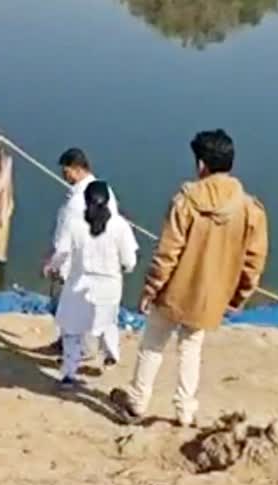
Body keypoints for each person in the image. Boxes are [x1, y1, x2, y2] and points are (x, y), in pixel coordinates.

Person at [110, 129, 268, 427]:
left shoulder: (185, 201)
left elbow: (168, 252)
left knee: (153, 343)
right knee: (191, 349)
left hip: (174, 291)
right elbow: (253, 261)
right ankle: (185, 411)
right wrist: (238, 297)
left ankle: (137, 402)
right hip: (210, 296)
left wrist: (150, 288)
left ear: (201, 165)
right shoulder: (250, 209)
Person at [49, 181, 138, 390]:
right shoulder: (120, 226)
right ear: (108, 202)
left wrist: (51, 267)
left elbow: (61, 253)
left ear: (85, 201)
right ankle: (111, 355)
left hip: (79, 283)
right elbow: (130, 262)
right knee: (107, 321)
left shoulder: (74, 224)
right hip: (110, 287)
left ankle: (69, 374)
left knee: (72, 331)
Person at [43, 148, 120, 355]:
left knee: (68, 308)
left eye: (66, 171)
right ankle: (75, 345)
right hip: (99, 260)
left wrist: (54, 263)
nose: (64, 175)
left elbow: (67, 238)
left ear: (77, 169)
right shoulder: (104, 191)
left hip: (76, 262)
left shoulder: (78, 201)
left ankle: (74, 351)